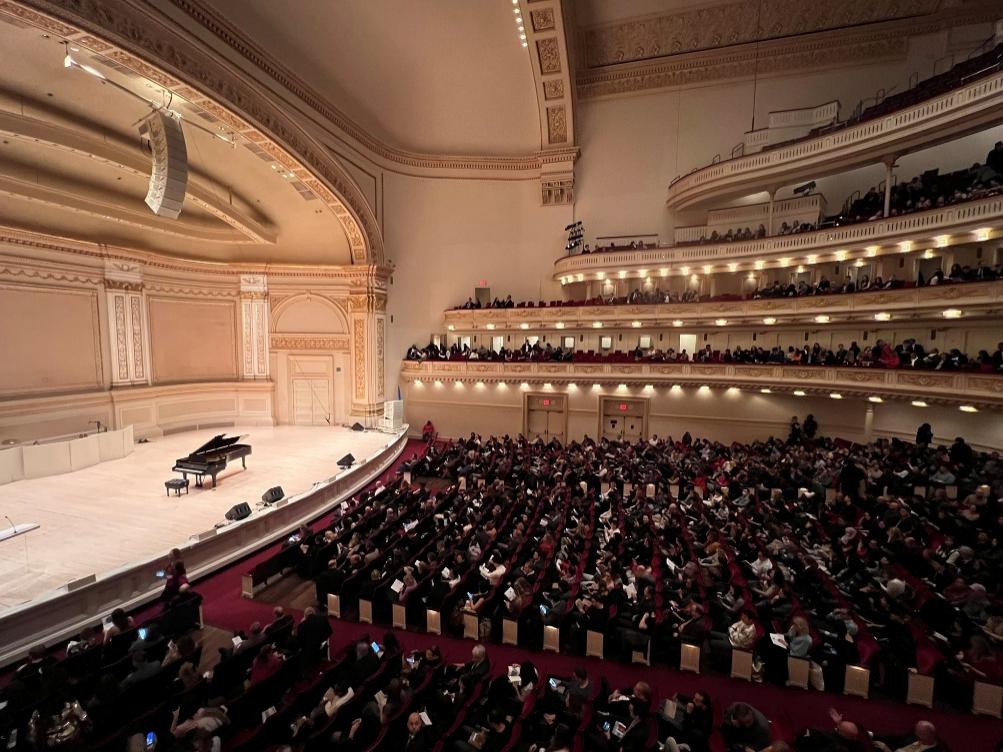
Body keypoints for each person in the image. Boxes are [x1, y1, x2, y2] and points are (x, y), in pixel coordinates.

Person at [871, 719, 941, 751]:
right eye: (916, 731)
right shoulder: (915, 735)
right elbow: (897, 739)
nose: (916, 734)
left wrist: (886, 749)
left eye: (919, 734)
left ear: (929, 736)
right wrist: (873, 735)